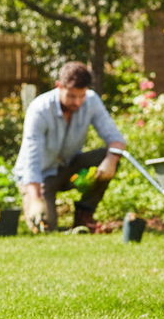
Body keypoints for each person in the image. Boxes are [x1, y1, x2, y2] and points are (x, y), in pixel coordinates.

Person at [12, 62, 126, 233]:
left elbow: (116, 139)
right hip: (40, 177)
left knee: (110, 155)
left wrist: (111, 160)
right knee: (46, 227)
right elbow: (31, 159)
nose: (77, 102)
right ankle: (42, 213)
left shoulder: (91, 101)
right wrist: (35, 198)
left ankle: (84, 216)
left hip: (68, 167)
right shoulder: (40, 109)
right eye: (72, 96)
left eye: (82, 96)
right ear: (59, 86)